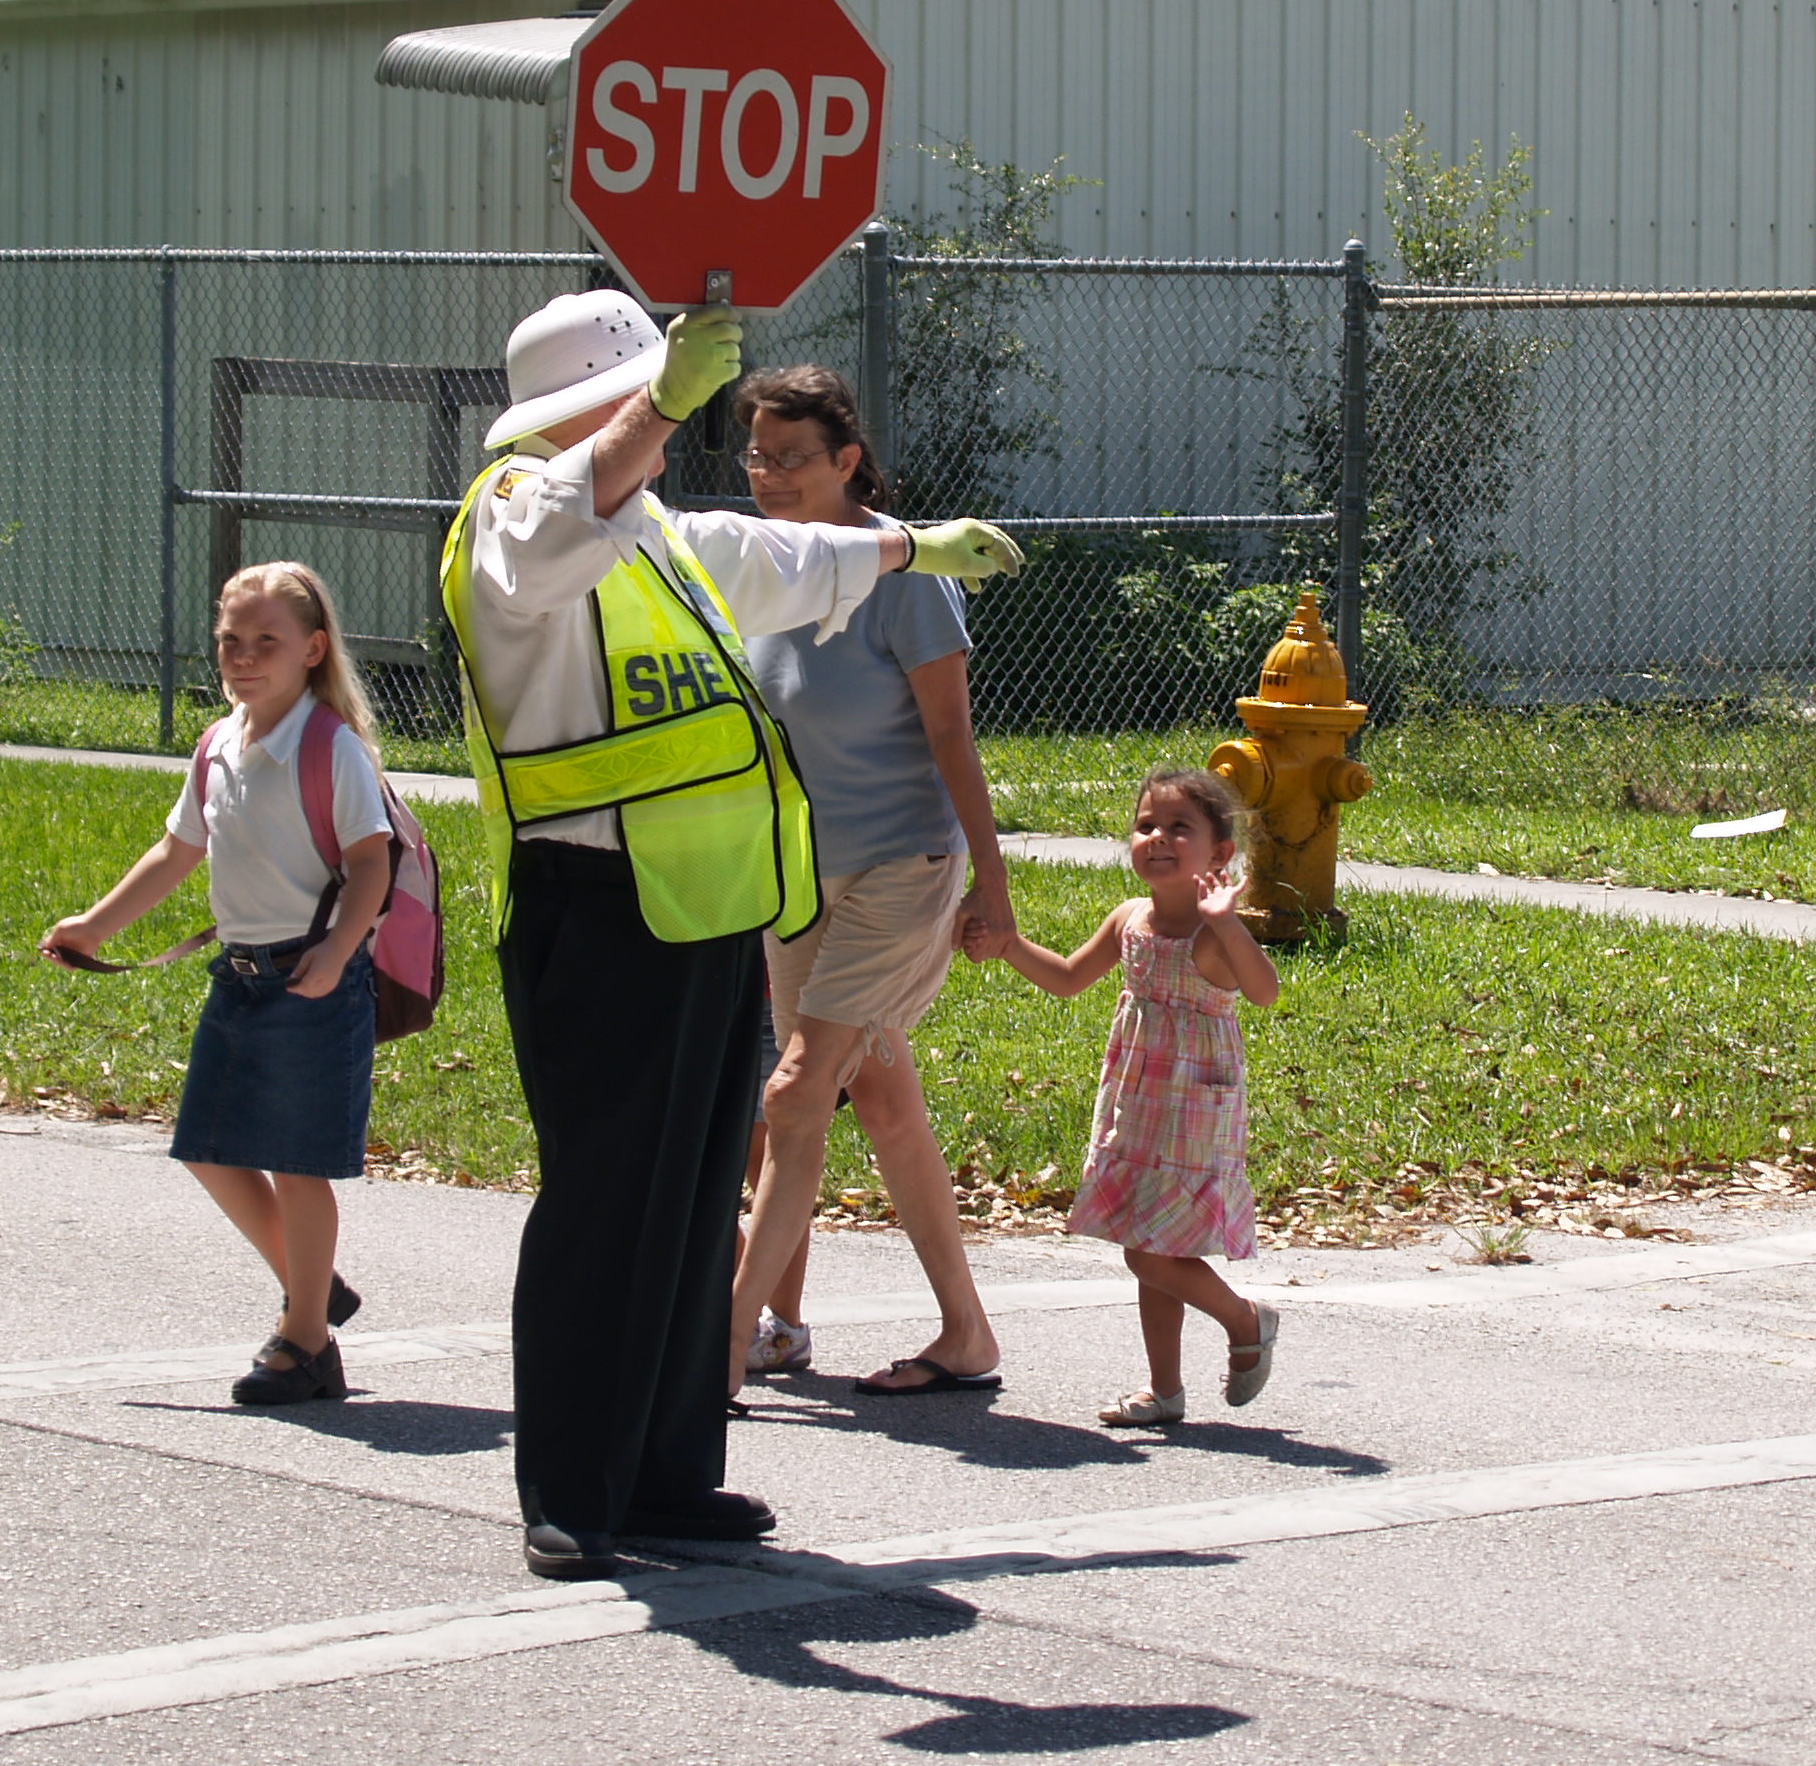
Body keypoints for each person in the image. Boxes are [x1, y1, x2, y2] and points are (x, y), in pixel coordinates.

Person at [438, 289, 1023, 1581]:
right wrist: (658, 408)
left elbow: (772, 561)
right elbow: (548, 549)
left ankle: (665, 1476)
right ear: (600, 405)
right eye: (652, 393)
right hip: (593, 905)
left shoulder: (648, 524)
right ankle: (573, 1491)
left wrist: (909, 552)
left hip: (702, 909)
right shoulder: (516, 513)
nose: (683, 420)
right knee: (606, 1207)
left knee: (696, 1201)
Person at [43, 562, 392, 1408]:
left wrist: (339, 952)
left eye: (265, 641)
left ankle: (306, 1342)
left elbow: (371, 862)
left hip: (311, 981)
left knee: (299, 1165)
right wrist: (94, 925)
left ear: (312, 650)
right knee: (206, 1145)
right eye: (230, 640)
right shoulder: (219, 744)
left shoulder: (328, 745)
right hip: (238, 981)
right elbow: (178, 851)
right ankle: (311, 1288)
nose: (243, 655)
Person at [724, 365, 1010, 1399]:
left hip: (901, 869)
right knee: (880, 1103)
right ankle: (965, 1336)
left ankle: (725, 1343)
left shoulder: (906, 571)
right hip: (801, 882)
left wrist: (992, 882)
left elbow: (951, 735)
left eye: (793, 456)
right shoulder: (759, 572)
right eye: (757, 454)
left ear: (848, 461)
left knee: (796, 1092)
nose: (770, 475)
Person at [970, 767, 1282, 1427]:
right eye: (1147, 826)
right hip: (1138, 1107)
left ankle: (1246, 1319)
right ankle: (1164, 1391)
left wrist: (1229, 925)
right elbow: (1064, 979)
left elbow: (1264, 991)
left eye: (1180, 829)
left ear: (1220, 854)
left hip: (1194, 1115)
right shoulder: (1129, 920)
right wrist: (1007, 945)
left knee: (1151, 1251)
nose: (1159, 838)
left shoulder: (1212, 931)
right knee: (1150, 1252)